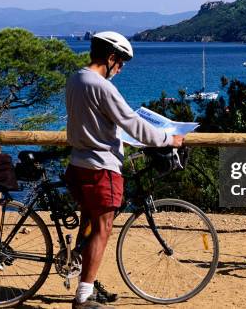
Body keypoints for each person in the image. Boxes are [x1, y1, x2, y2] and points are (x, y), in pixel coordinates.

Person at [65, 31, 184, 308]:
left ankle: (88, 282)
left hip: (77, 163)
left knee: (90, 223)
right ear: (110, 57)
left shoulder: (76, 78)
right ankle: (83, 296)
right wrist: (169, 139)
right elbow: (132, 123)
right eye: (120, 62)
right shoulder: (102, 87)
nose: (121, 68)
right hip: (101, 168)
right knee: (103, 228)